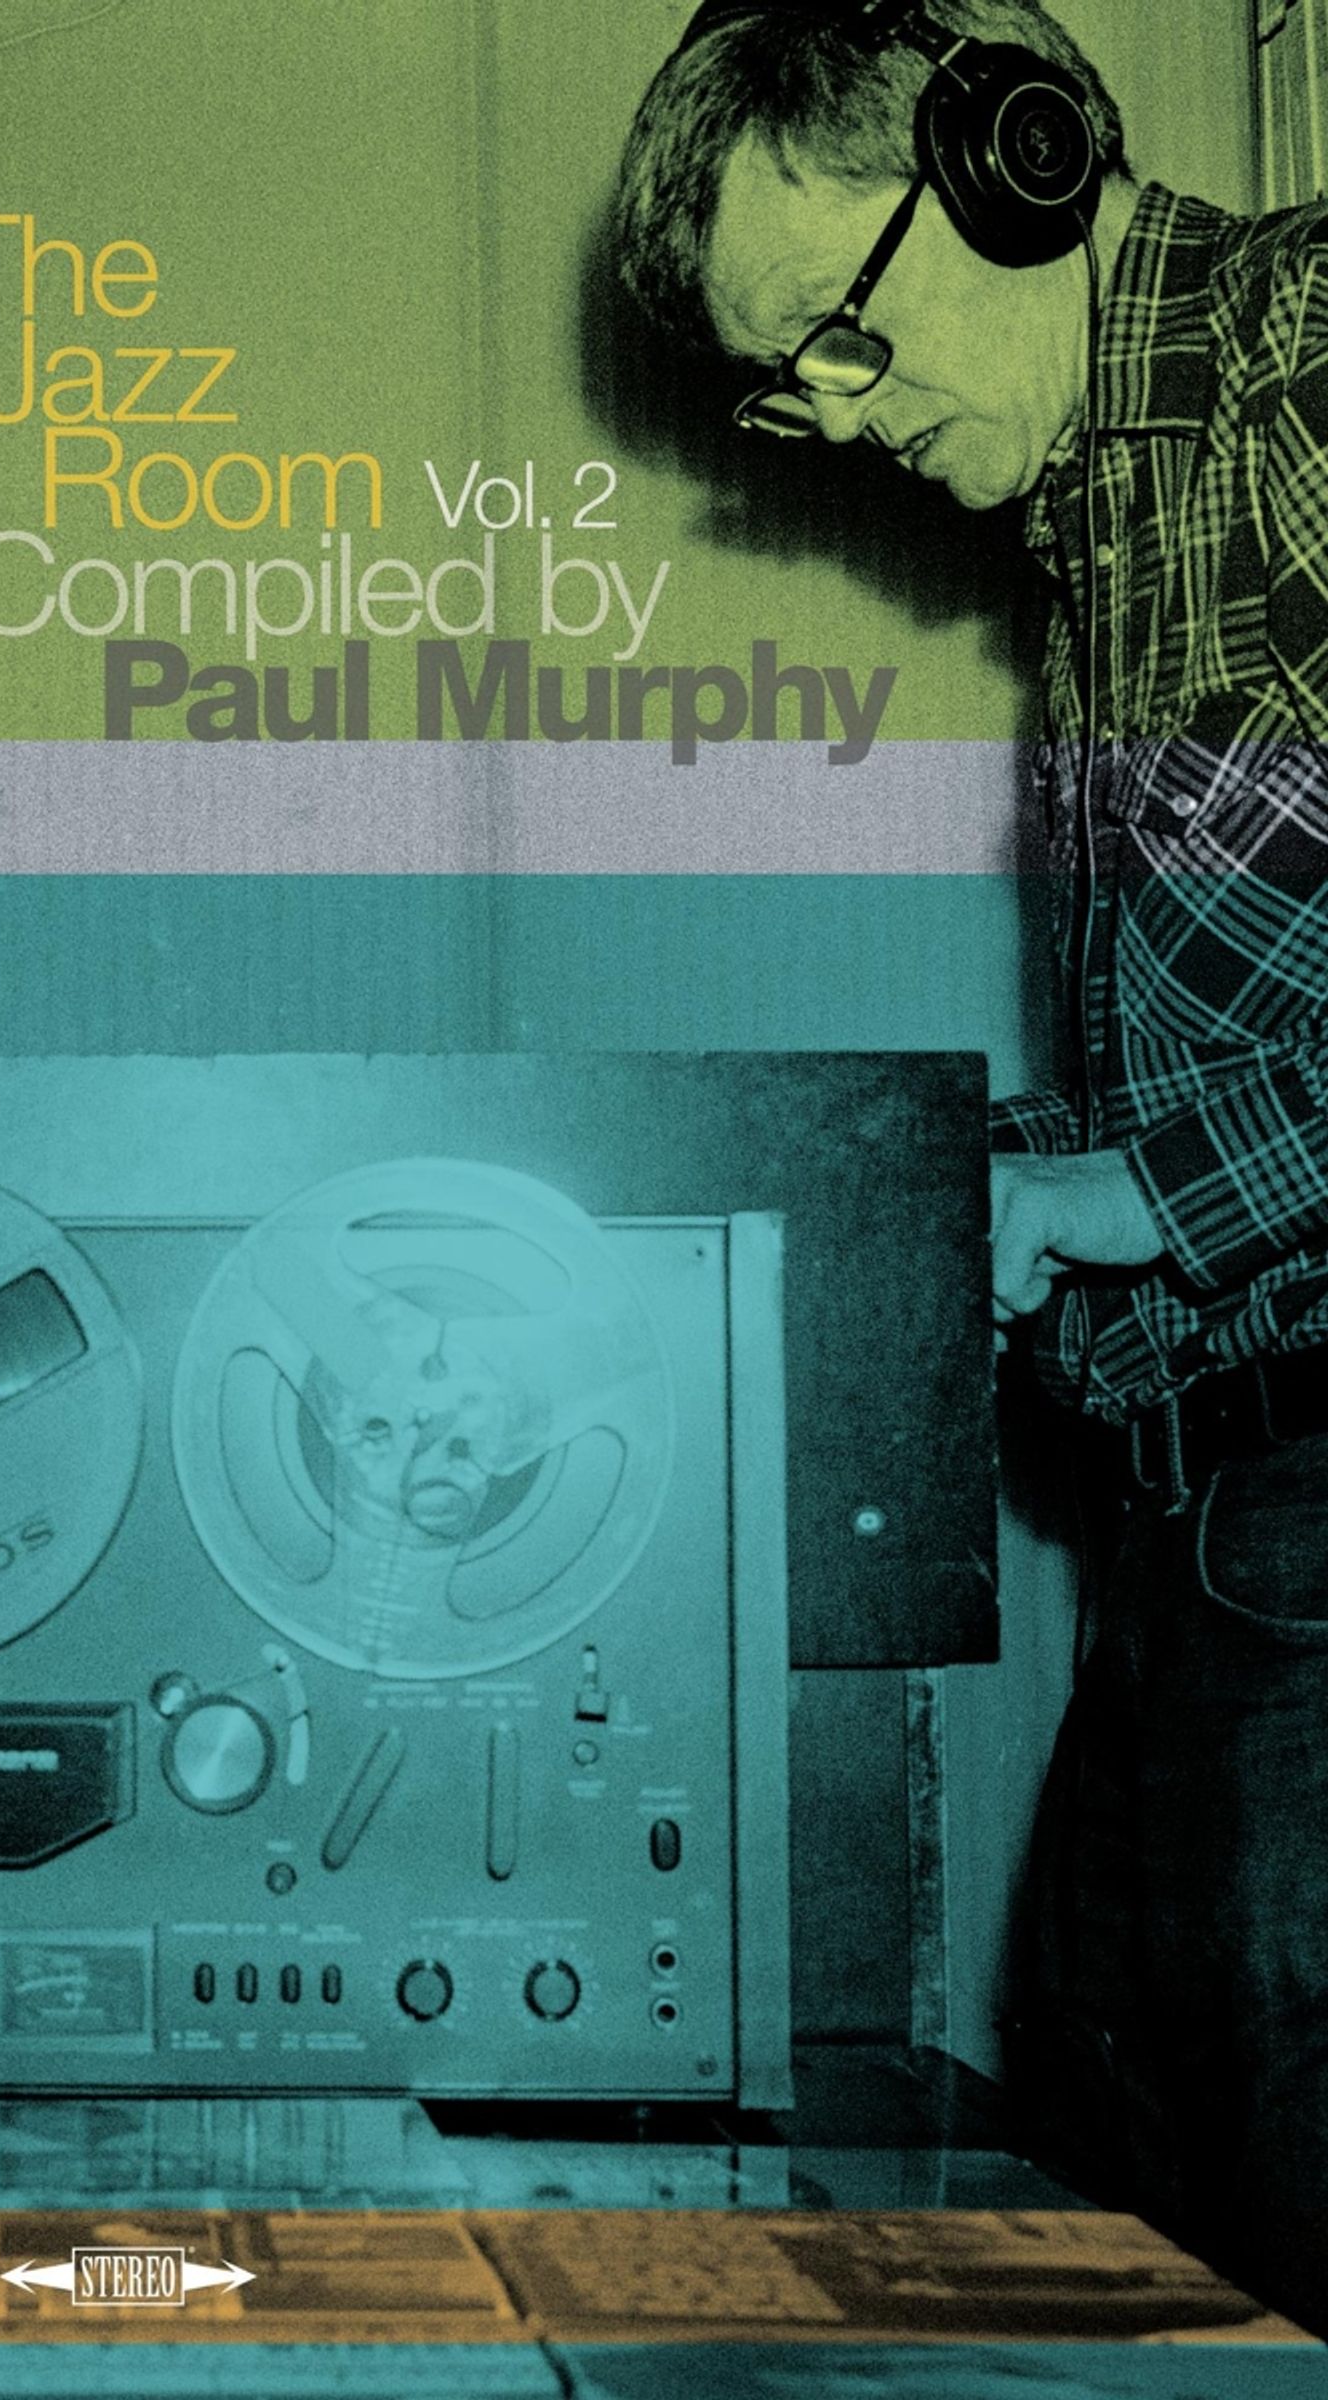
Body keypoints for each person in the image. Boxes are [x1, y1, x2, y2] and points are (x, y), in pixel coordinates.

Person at [613, 0, 1327, 2333]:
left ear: (1013, 156)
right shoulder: (1100, 519)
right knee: (1124, 2219)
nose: (834, 415)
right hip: (1202, 1529)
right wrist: (937, 1184)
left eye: (835, 334)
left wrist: (1123, 1201)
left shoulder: (1305, 359)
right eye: (783, 389)